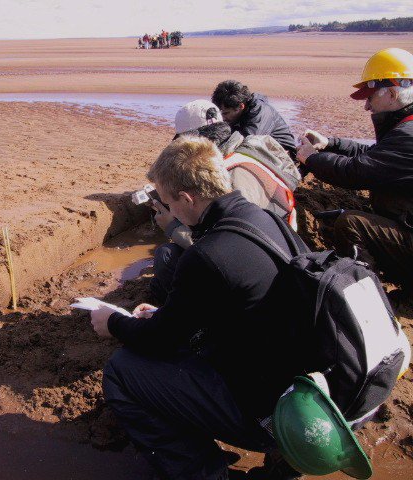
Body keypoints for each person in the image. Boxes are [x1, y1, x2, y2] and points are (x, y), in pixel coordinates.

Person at [90, 136, 306, 480]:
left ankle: (205, 474)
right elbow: (240, 305)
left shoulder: (207, 254)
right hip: (309, 398)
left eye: (168, 204)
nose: (169, 213)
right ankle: (287, 461)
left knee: (123, 371)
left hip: (272, 416)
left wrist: (113, 322)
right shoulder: (265, 220)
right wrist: (166, 316)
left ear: (187, 198)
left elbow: (158, 342)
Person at [151, 100, 301, 302]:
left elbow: (229, 247)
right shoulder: (246, 150)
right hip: (282, 245)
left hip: (266, 274)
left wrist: (172, 227)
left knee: (168, 257)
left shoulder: (232, 179)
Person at [296, 47, 413, 285]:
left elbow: (354, 172)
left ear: (391, 93)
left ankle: (367, 289)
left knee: (350, 224)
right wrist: (331, 143)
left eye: (370, 97)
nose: (366, 107)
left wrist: (311, 158)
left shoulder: (407, 135)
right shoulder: (405, 128)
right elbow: (375, 156)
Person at [212, 80, 297, 157]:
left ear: (241, 106)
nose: (222, 118)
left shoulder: (260, 112)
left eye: (226, 113)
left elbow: (248, 143)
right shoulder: (239, 112)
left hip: (286, 156)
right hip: (266, 150)